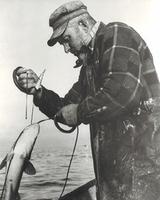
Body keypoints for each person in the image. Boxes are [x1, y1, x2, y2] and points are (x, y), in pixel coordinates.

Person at [15, 1, 160, 200]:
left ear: (83, 24)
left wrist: (79, 112)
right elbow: (65, 109)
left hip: (145, 172)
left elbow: (122, 94)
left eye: (66, 39)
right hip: (114, 178)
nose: (66, 49)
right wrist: (37, 91)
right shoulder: (89, 67)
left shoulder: (117, 33)